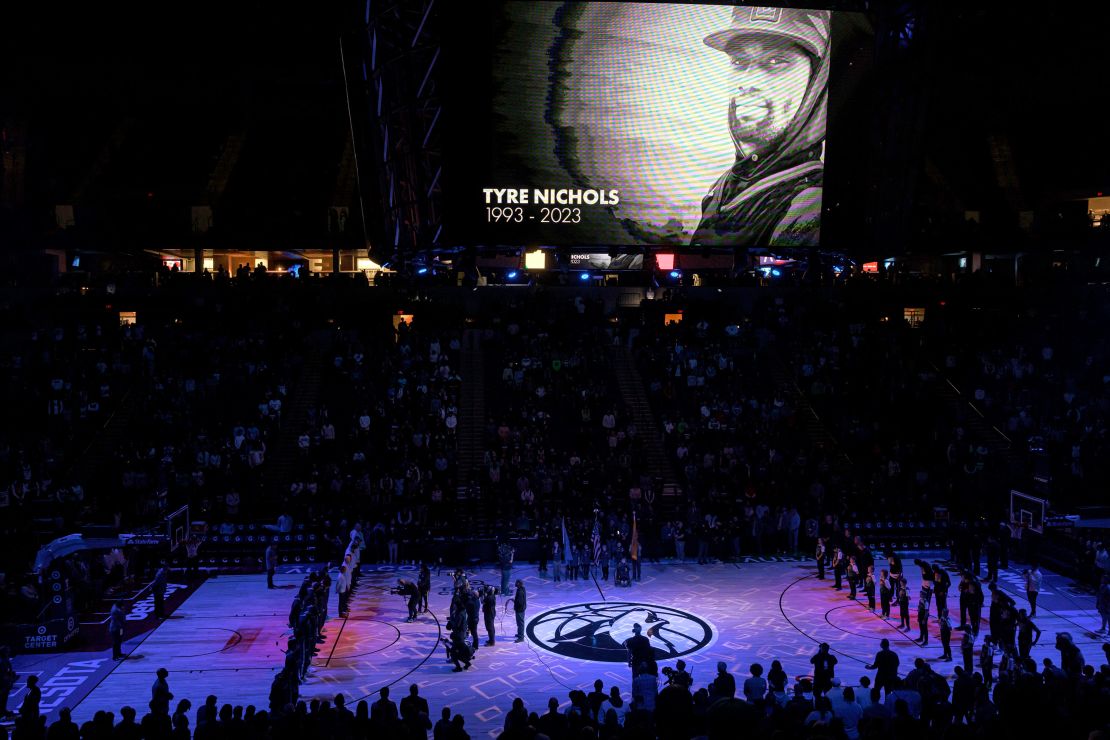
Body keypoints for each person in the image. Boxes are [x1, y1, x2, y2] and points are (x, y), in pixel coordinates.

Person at [692, 7, 832, 248]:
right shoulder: (728, 183)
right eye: (738, 61)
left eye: (776, 61)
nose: (747, 82)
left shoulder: (809, 204)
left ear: (815, 83)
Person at [0, 646, 15, 719]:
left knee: (4, 698)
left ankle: (3, 710)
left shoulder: (6, 660)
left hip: (6, 683)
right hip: (2, 684)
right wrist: (7, 681)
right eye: (7, 651)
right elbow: (3, 674)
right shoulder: (2, 661)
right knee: (2, 697)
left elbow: (9, 671)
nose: (9, 652)